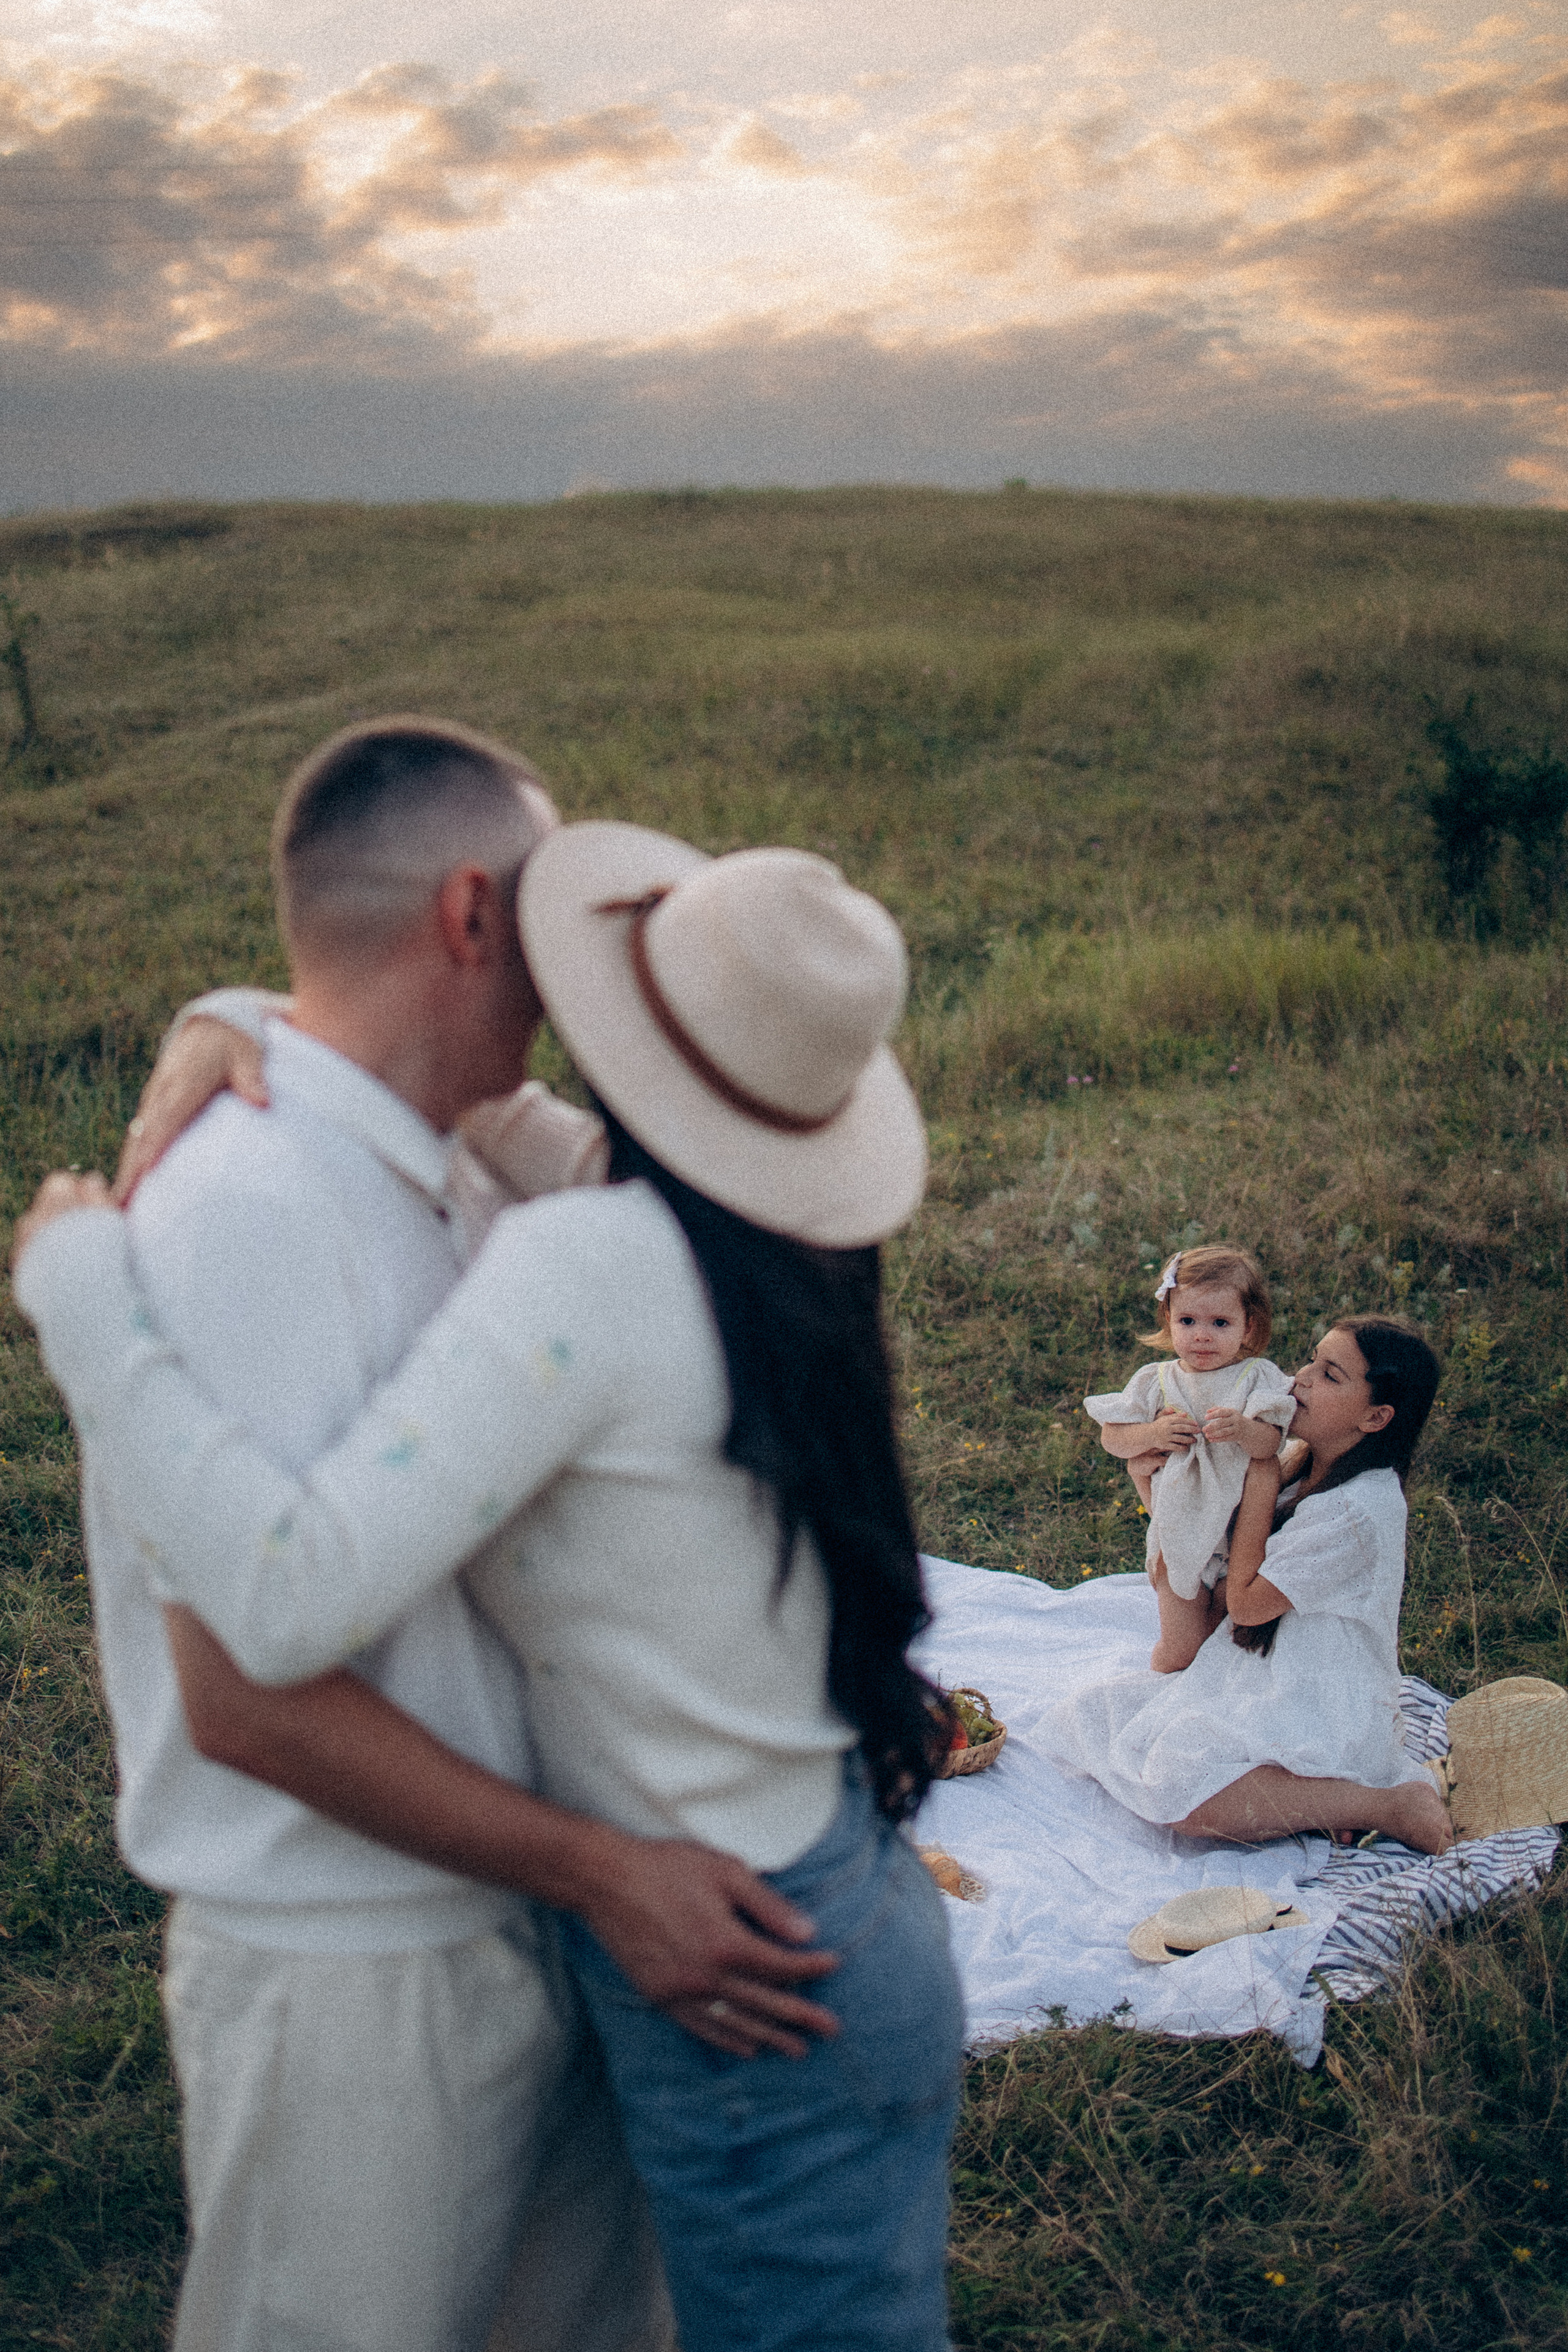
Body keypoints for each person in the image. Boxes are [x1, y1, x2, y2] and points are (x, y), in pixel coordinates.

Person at [15, 819, 967, 2352]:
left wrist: (80, 1300)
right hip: (827, 1902)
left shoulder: (587, 1260)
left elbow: (281, 1589)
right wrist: (244, 1014)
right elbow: (476, 1103)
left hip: (748, 1964)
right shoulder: (775, 1243)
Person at [1050, 1317, 1453, 1854]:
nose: (1301, 1378)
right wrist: (1147, 1479)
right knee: (1096, 1717)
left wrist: (1261, 1477)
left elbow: (1243, 1606)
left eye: (1330, 1375)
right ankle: (1304, 1802)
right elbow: (1213, 1552)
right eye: (1311, 1360)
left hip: (1322, 1697)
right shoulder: (1305, 1463)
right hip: (1263, 1671)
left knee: (1182, 1796)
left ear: (1376, 1417)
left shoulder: (1358, 1509)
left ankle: (1382, 1804)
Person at [1087, 1245, 1295, 1671]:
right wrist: (1153, 1433)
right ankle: (1155, 1688)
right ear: (1169, 1320)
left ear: (1248, 1326)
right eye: (1188, 1321)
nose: (1202, 1335)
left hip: (1241, 1539)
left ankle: (1200, 1702)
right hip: (1178, 1535)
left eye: (1220, 1323)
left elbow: (1270, 1446)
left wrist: (1243, 1429)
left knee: (1220, 1644)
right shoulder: (1158, 1381)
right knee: (1181, 1646)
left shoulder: (1255, 1377)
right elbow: (1113, 1438)